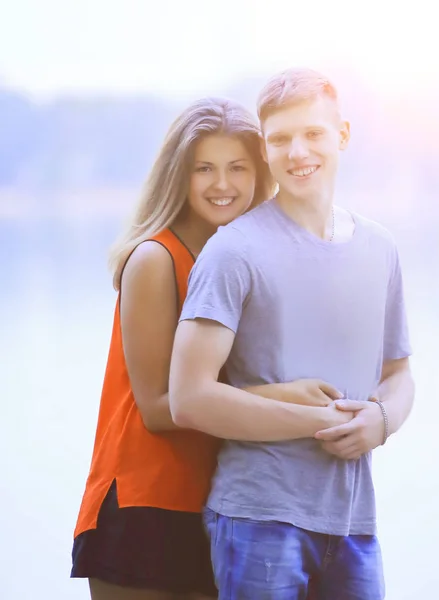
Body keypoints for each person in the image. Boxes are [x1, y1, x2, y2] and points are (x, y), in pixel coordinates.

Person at [71, 96, 346, 600]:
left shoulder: (242, 258)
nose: (223, 185)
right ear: (179, 176)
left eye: (237, 168)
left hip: (222, 505)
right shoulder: (155, 258)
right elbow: (158, 408)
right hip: (143, 507)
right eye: (205, 169)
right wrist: (285, 397)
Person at [168, 68, 415, 600]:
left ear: (342, 135)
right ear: (265, 147)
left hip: (354, 522)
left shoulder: (380, 248)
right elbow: (189, 398)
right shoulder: (234, 251)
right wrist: (316, 423)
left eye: (313, 134)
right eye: (279, 138)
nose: (298, 151)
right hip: (258, 518)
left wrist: (382, 419)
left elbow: (398, 373)